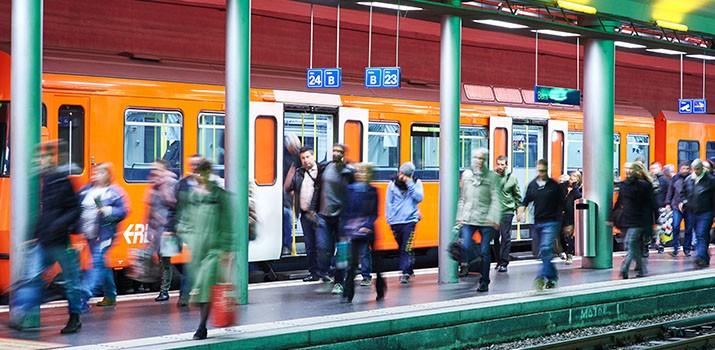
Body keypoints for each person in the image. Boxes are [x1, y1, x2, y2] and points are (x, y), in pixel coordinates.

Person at [9, 142, 82, 334]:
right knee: (32, 278)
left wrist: (58, 225)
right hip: (44, 240)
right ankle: (21, 314)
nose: (37, 162)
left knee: (71, 283)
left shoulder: (60, 180)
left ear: (49, 159)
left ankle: (75, 318)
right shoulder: (43, 180)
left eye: (40, 158)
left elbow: (74, 209)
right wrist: (33, 235)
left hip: (60, 241)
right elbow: (44, 213)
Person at [176, 159, 234, 340]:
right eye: (198, 172)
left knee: (205, 286)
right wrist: (188, 237)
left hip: (214, 251)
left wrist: (226, 249)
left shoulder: (220, 196)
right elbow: (184, 222)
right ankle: (202, 325)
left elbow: (228, 224)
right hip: (197, 250)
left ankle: (201, 327)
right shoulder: (192, 197)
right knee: (201, 288)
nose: (201, 176)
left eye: (203, 172)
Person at [78, 163, 128, 309]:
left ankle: (84, 297)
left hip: (105, 234)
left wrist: (109, 210)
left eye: (99, 173)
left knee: (97, 262)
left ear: (107, 175)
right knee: (101, 263)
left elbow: (123, 211)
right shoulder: (85, 191)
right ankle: (110, 295)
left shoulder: (113, 192)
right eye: (94, 172)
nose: (94, 175)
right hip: (89, 233)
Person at [456, 149, 500, 293]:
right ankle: (474, 263)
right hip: (469, 218)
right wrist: (459, 218)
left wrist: (494, 217)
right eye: (476, 158)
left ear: (485, 160)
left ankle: (484, 281)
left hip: (486, 220)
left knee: (485, 251)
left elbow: (496, 199)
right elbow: (462, 198)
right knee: (466, 245)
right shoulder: (467, 176)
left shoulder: (492, 177)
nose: (478, 161)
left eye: (481, 158)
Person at [517, 159, 565, 291]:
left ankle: (541, 277)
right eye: (539, 171)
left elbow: (562, 204)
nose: (541, 173)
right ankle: (552, 277)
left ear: (547, 170)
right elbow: (526, 200)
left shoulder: (554, 186)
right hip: (538, 222)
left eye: (543, 171)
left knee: (544, 248)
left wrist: (566, 224)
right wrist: (520, 212)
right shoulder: (533, 185)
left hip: (552, 222)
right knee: (544, 253)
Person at [315, 144, 354, 294]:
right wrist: (313, 209)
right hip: (324, 215)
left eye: (339, 151)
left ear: (343, 154)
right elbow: (318, 188)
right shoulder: (325, 167)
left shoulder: (348, 171)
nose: (335, 153)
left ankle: (339, 282)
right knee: (323, 248)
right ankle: (327, 273)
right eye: (334, 150)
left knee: (342, 252)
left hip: (341, 217)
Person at [341, 163, 380, 302]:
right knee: (352, 263)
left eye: (363, 172)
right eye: (358, 171)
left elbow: (374, 213)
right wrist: (345, 228)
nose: (360, 174)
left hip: (367, 231)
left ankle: (379, 287)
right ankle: (348, 293)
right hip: (353, 231)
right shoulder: (349, 190)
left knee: (369, 258)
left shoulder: (372, 191)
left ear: (369, 175)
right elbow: (345, 211)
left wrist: (367, 225)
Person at [146, 160, 181, 303]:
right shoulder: (155, 184)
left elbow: (175, 208)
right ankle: (167, 288)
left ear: (164, 169)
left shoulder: (170, 184)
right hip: (157, 229)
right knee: (161, 260)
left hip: (166, 229)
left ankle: (164, 291)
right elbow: (150, 209)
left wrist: (171, 228)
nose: (153, 170)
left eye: (157, 168)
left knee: (165, 261)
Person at [286, 147, 323, 282]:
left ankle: (325, 271)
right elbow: (289, 188)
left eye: (308, 157)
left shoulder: (322, 171)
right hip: (305, 214)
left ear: (313, 156)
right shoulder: (299, 173)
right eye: (303, 158)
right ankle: (314, 273)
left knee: (322, 244)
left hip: (319, 214)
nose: (305, 160)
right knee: (310, 245)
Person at [613, 162, 655, 279]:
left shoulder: (641, 186)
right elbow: (620, 202)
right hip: (632, 220)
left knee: (630, 243)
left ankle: (625, 267)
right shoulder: (628, 185)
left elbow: (650, 205)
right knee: (634, 246)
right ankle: (641, 269)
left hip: (636, 221)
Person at [386, 161, 424, 284]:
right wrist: (389, 219)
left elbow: (419, 198)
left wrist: (409, 183)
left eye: (405, 174)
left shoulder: (416, 183)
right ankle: (409, 266)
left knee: (405, 248)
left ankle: (405, 273)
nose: (401, 176)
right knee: (401, 246)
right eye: (400, 173)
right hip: (395, 222)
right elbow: (388, 203)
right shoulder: (392, 184)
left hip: (410, 220)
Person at [680, 159, 715, 268]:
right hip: (692, 211)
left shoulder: (711, 180)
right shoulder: (689, 179)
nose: (696, 171)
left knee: (701, 233)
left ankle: (700, 257)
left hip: (706, 211)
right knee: (699, 234)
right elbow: (683, 193)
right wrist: (684, 202)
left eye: (698, 169)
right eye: (694, 169)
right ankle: (704, 256)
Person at [493, 155, 521, 273]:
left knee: (505, 237)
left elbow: (517, 196)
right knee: (495, 238)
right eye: (498, 164)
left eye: (502, 164)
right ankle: (498, 261)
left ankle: (504, 262)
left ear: (506, 165)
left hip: (507, 211)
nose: (500, 166)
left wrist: (519, 211)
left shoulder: (512, 178)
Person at [666, 163, 692, 257]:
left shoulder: (692, 178)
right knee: (676, 226)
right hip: (676, 206)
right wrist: (668, 203)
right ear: (680, 169)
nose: (685, 170)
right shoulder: (675, 178)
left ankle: (687, 249)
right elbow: (670, 191)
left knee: (688, 229)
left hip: (689, 207)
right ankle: (676, 248)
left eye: (687, 168)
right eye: (683, 168)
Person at [282, 135, 301, 256]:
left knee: (287, 216)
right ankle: (286, 245)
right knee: (286, 216)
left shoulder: (297, 157)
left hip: (289, 193)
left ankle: (287, 245)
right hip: (282, 191)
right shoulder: (282, 154)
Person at [559, 171, 582, 265]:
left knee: (569, 236)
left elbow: (578, 197)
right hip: (560, 214)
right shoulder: (563, 186)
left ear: (578, 179)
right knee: (559, 234)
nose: (572, 177)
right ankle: (563, 251)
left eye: (575, 177)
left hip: (571, 215)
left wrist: (575, 186)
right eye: (572, 175)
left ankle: (569, 255)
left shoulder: (578, 189)